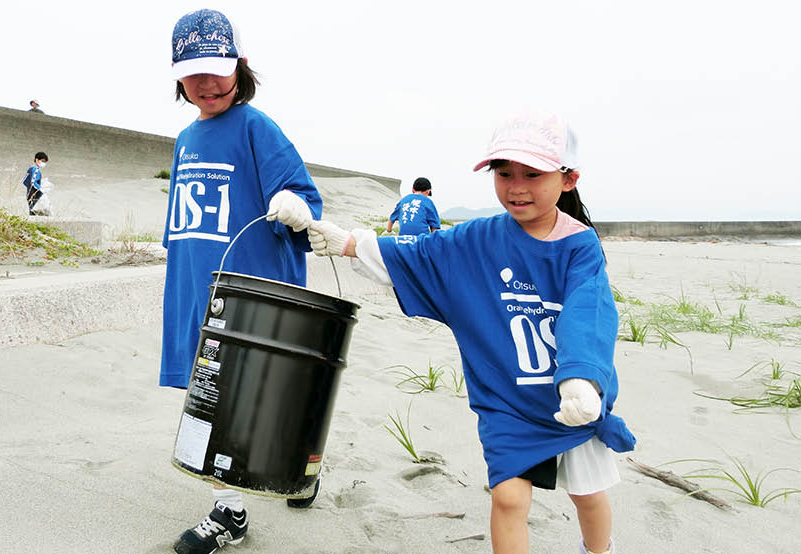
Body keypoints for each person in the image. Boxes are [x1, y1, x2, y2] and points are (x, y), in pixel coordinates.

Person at [307, 111, 635, 554]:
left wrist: (581, 377)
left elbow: (587, 311)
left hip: (570, 399)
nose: (516, 186)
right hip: (507, 398)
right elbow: (421, 253)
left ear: (568, 179)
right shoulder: (478, 238)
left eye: (532, 174)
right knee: (508, 496)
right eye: (504, 173)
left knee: (588, 493)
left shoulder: (579, 245)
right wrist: (348, 242)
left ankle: (598, 550)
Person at [160, 9, 323, 554]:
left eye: (216, 68)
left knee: (256, 399)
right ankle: (251, 497)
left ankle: (245, 504)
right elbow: (183, 233)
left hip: (255, 293)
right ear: (177, 75)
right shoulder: (186, 138)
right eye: (192, 71)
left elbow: (307, 200)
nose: (206, 82)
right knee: (209, 396)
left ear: (239, 66)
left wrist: (293, 204)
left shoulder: (259, 127)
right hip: (197, 291)